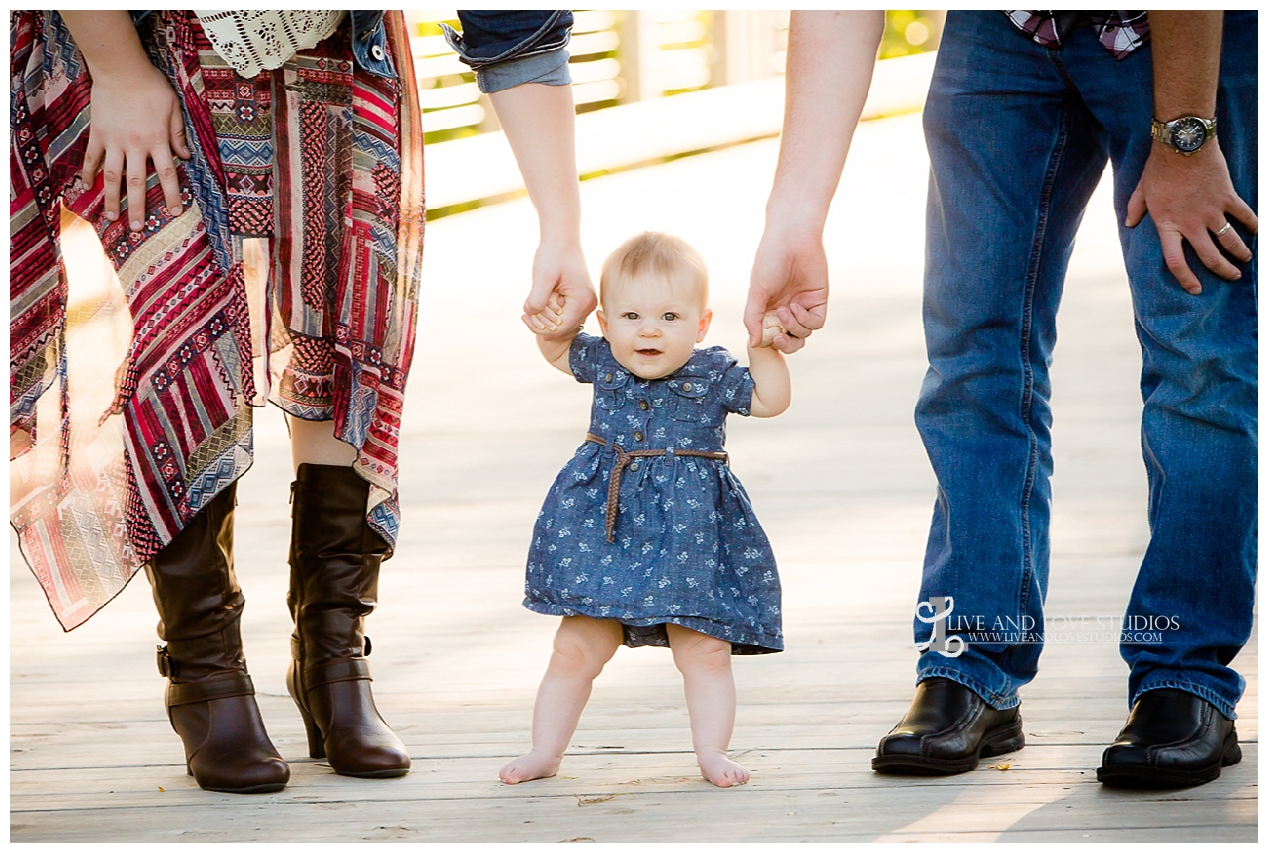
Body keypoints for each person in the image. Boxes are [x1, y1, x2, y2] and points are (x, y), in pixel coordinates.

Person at [10, 10, 594, 794]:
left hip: (337, 46)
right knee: (181, 320)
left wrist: (562, 228)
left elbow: (515, 22)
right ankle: (205, 673)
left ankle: (334, 656)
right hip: (139, 40)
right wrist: (115, 69)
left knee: (345, 314)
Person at [747, 11, 1256, 787]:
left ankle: (1183, 670)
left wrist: (1186, 131)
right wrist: (795, 213)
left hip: (1180, 33)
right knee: (970, 355)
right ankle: (971, 657)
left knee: (1199, 359)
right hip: (1004, 29)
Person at [500, 232, 791, 788]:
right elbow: (559, 350)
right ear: (606, 325)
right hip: (602, 531)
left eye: (669, 316)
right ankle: (545, 749)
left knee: (705, 648)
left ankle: (711, 752)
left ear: (701, 325)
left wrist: (764, 348)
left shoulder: (713, 374)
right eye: (630, 315)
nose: (649, 329)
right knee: (576, 646)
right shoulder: (603, 361)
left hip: (688, 537)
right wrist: (556, 323)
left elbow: (770, 400)